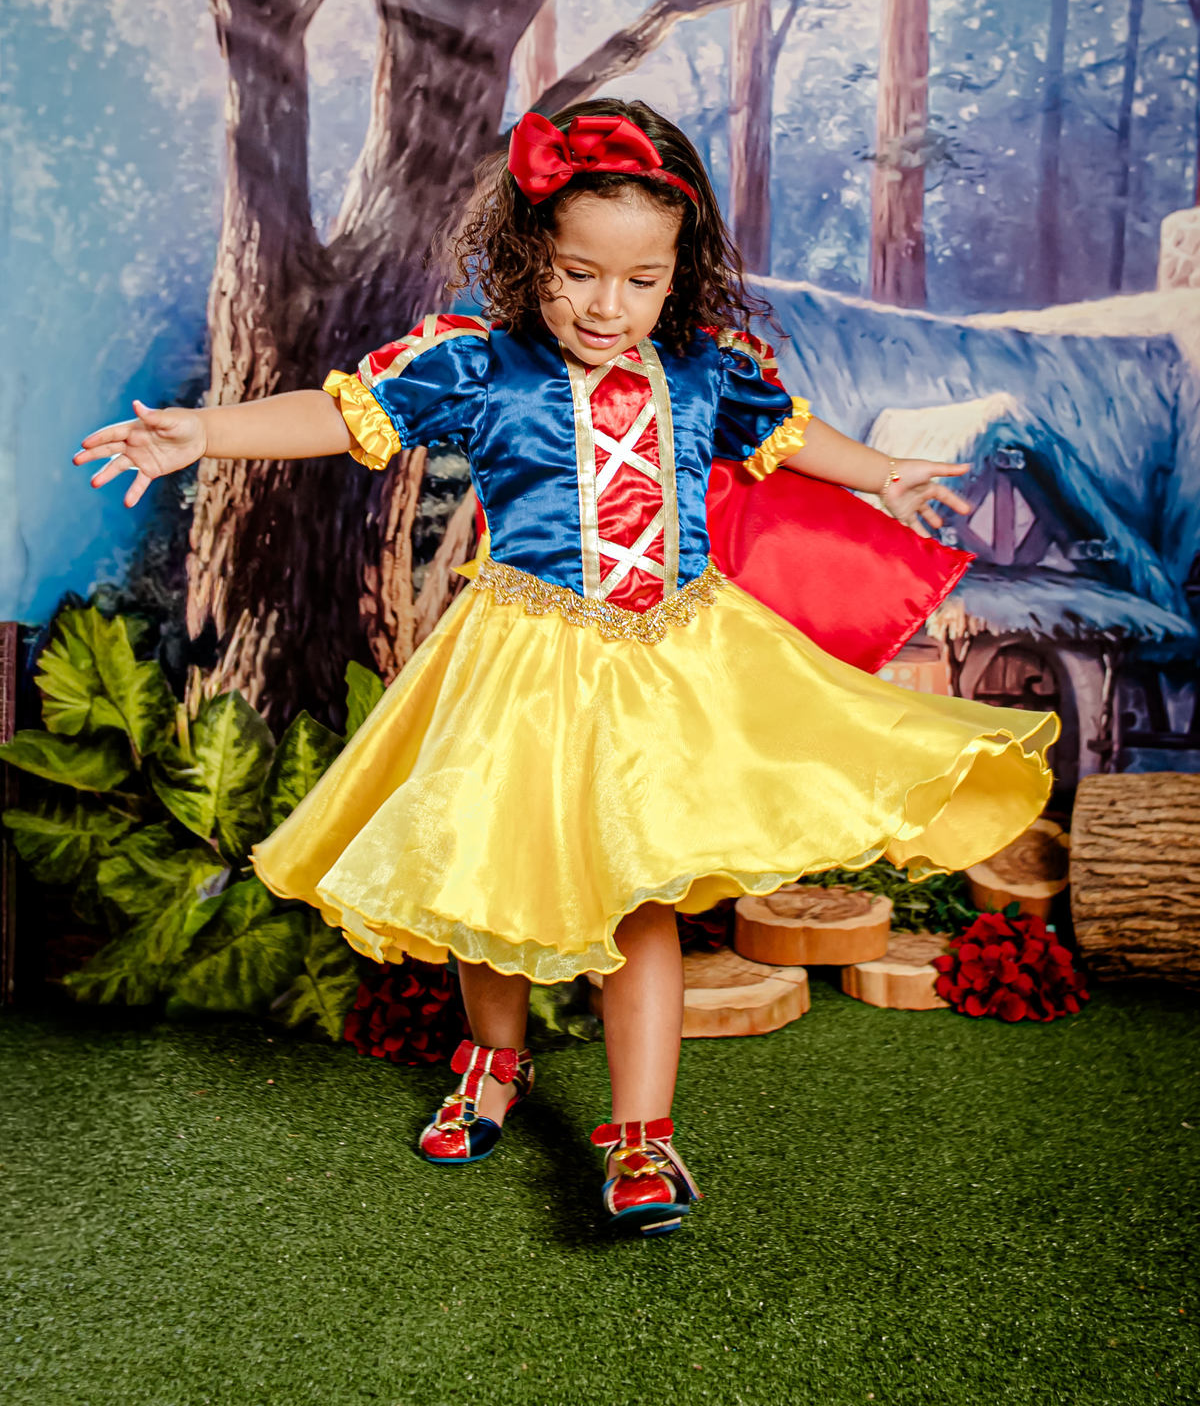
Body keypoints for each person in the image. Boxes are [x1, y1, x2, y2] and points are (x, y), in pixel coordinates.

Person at [74, 99, 1059, 1238]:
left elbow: (785, 435)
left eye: (641, 280)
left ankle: (642, 1135)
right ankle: (495, 1062)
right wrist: (206, 431)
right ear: (528, 250)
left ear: (678, 273)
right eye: (578, 272)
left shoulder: (705, 369)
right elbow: (346, 416)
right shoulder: (479, 366)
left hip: (669, 665)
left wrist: (881, 472)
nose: (606, 305)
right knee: (491, 874)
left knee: (639, 891)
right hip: (524, 666)